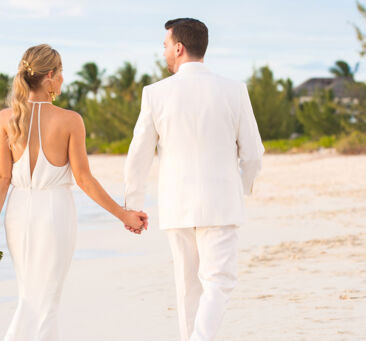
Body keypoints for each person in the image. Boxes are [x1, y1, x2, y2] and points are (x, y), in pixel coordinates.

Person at [0, 44, 148, 341]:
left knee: (29, 294)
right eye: (62, 73)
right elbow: (84, 179)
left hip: (17, 214)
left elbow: (2, 177)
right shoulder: (70, 120)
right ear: (50, 76)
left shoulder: (5, 118)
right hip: (55, 213)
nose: (64, 79)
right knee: (47, 299)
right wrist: (123, 214)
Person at [124, 18, 265, 341]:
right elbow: (254, 153)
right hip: (221, 202)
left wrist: (132, 204)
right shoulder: (234, 90)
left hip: (176, 204)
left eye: (164, 46)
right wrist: (240, 186)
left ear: (179, 47)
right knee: (219, 282)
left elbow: (139, 155)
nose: (163, 53)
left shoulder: (155, 94)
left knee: (188, 288)